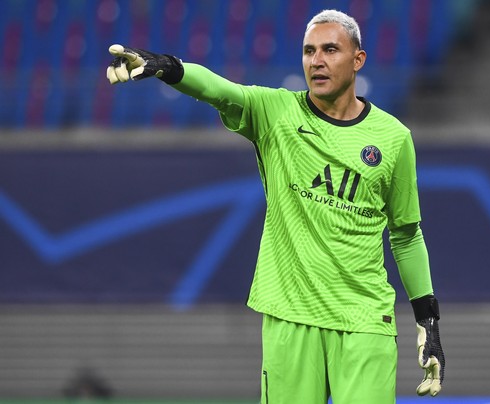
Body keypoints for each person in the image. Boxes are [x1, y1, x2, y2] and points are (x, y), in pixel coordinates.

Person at [107, 9, 444, 404]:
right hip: (290, 315)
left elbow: (406, 235)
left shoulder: (393, 138)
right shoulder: (277, 113)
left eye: (330, 50)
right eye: (308, 51)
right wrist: (168, 67)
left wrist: (428, 322)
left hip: (365, 319)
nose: (316, 60)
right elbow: (219, 90)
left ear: (358, 59)